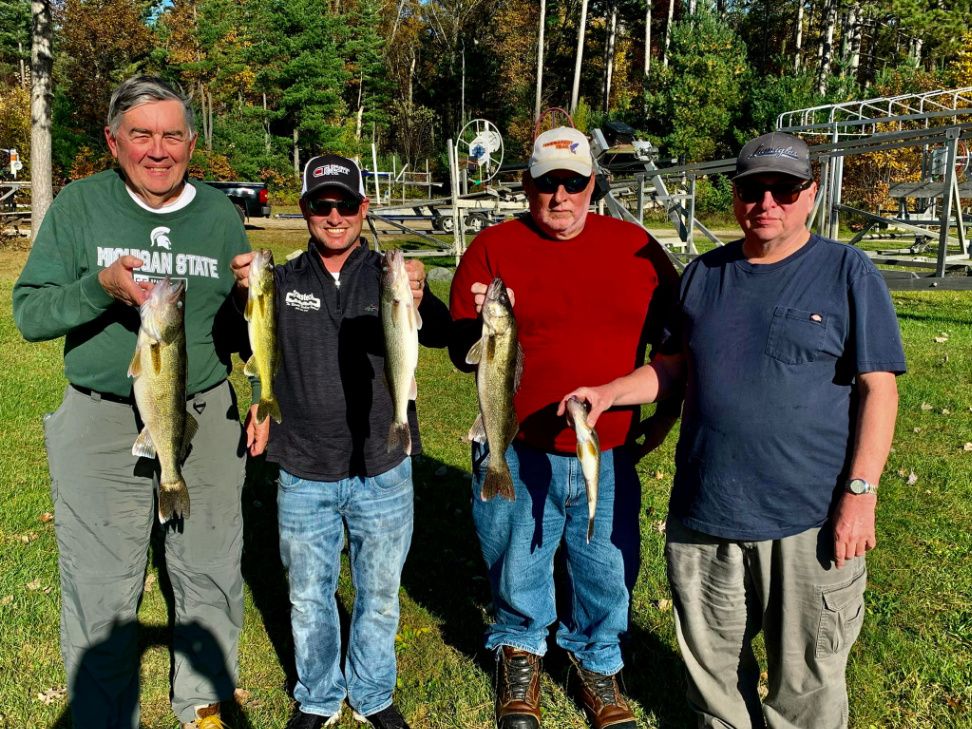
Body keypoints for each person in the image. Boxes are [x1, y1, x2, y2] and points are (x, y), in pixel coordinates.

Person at [561, 131, 906, 729]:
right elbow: (674, 368)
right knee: (712, 677)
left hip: (808, 518)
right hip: (706, 512)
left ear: (812, 195)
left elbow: (880, 388)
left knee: (808, 682)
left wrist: (861, 495)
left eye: (785, 188)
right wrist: (610, 393)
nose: (767, 201)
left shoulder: (848, 272)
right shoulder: (703, 276)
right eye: (752, 188)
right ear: (737, 194)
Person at [13, 76, 251, 729]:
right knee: (101, 584)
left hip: (200, 410)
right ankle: (105, 714)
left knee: (209, 566)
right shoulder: (80, 206)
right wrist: (100, 287)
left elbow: (237, 327)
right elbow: (30, 313)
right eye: (141, 135)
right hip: (100, 415)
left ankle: (203, 703)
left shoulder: (218, 214)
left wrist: (254, 302)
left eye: (172, 134)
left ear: (192, 143)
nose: (158, 149)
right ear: (114, 143)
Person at [448, 127, 681, 729]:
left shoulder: (636, 249)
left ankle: (596, 659)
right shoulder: (494, 249)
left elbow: (678, 346)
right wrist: (477, 324)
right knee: (516, 560)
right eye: (547, 182)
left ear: (593, 185)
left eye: (573, 183)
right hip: (517, 446)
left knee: (604, 564)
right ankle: (519, 651)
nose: (560, 196)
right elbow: (456, 349)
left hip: (603, 449)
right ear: (526, 184)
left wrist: (663, 416)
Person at [231, 154, 450, 729]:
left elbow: (447, 335)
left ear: (363, 208)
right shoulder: (283, 279)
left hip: (383, 461)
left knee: (379, 594)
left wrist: (421, 297)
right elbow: (238, 337)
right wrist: (242, 295)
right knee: (309, 596)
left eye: (345, 204)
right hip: (303, 464)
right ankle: (319, 695)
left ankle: (373, 693)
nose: (334, 216)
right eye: (321, 205)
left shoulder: (388, 274)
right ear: (304, 210)